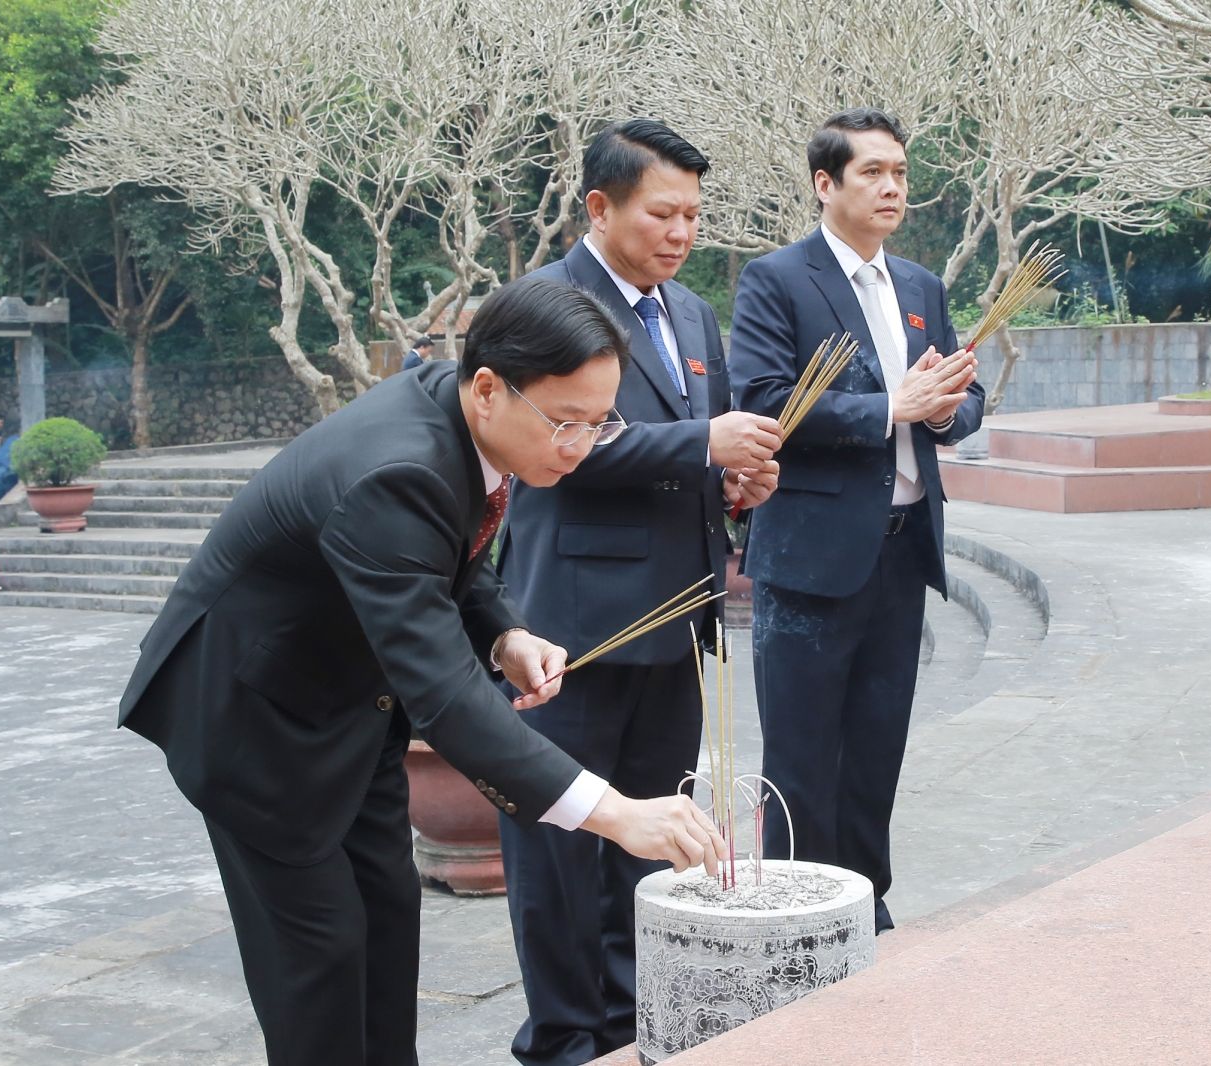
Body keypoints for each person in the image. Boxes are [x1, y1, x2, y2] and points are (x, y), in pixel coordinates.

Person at [115, 277, 727, 1066]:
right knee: (322, 957)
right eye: (566, 423)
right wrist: (613, 813)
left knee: (386, 919)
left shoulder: (461, 413)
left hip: (350, 706)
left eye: (600, 423)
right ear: (489, 389)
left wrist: (505, 636)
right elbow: (446, 698)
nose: (580, 446)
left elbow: (451, 555)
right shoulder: (396, 471)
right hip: (254, 721)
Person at [494, 119, 782, 1066]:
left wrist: (734, 483)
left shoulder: (691, 313)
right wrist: (705, 443)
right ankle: (563, 1037)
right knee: (559, 843)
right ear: (599, 207)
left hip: (681, 620)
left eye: (693, 215)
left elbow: (694, 451)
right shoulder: (545, 305)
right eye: (663, 213)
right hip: (573, 629)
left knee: (650, 833)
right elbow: (558, 446)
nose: (681, 232)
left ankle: (628, 1022)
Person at [728, 107, 985, 933]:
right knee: (801, 755)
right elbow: (762, 399)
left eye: (900, 173)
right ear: (825, 183)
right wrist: (887, 408)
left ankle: (865, 907)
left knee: (877, 747)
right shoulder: (777, 279)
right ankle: (800, 916)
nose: (892, 188)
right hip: (811, 558)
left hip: (904, 552)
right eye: (872, 172)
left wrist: (943, 411)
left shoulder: (920, 287)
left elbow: (965, 396)